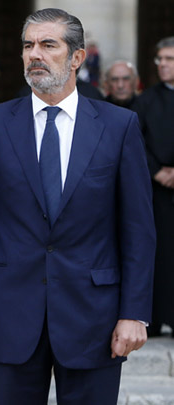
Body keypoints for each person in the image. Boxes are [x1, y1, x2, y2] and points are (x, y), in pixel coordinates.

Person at [0, 8, 155, 404]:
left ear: (77, 57)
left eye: (49, 45)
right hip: (8, 314)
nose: (35, 54)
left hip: (93, 316)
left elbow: (138, 230)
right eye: (28, 45)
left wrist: (135, 313)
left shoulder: (119, 126)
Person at [133, 36, 174, 337]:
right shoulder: (145, 100)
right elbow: (134, 142)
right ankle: (157, 318)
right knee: (159, 256)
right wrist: (157, 172)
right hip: (155, 192)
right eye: (159, 59)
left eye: (169, 59)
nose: (162, 64)